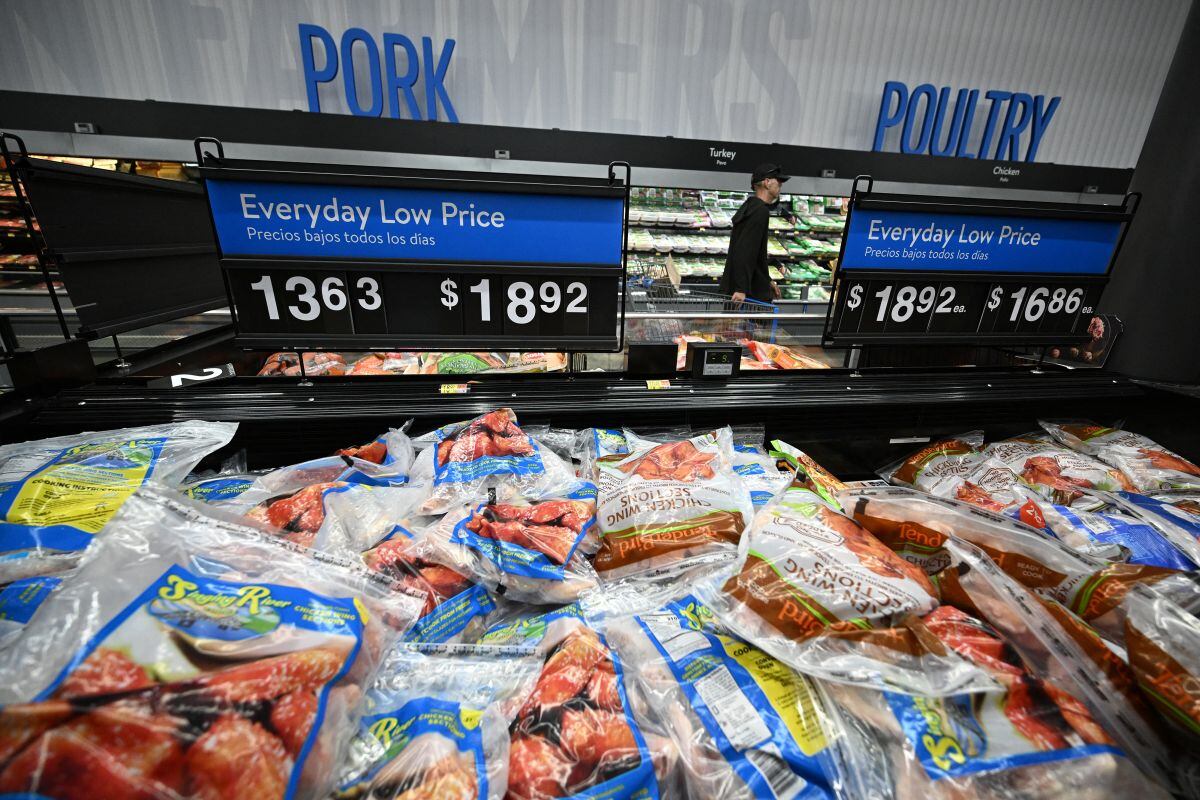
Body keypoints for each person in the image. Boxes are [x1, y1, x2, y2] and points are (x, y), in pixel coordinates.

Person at [720, 163, 788, 304]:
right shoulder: (759, 211)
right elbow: (745, 250)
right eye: (778, 181)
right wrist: (741, 289)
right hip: (751, 294)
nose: (781, 185)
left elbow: (754, 254)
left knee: (732, 326)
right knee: (749, 326)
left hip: (747, 287)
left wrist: (767, 280)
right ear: (767, 182)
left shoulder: (750, 206)